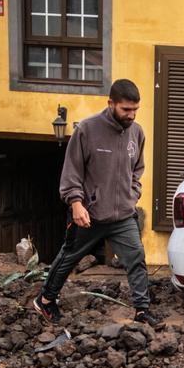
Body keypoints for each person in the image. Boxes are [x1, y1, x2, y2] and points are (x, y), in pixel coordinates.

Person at [32, 79, 164, 328]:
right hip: (88, 215)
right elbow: (72, 171)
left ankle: (141, 311)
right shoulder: (87, 130)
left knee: (136, 258)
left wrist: (132, 193)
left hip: (123, 216)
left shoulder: (137, 133)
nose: (132, 115)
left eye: (135, 109)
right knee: (68, 258)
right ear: (111, 103)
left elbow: (137, 170)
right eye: (126, 109)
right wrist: (76, 203)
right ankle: (46, 300)